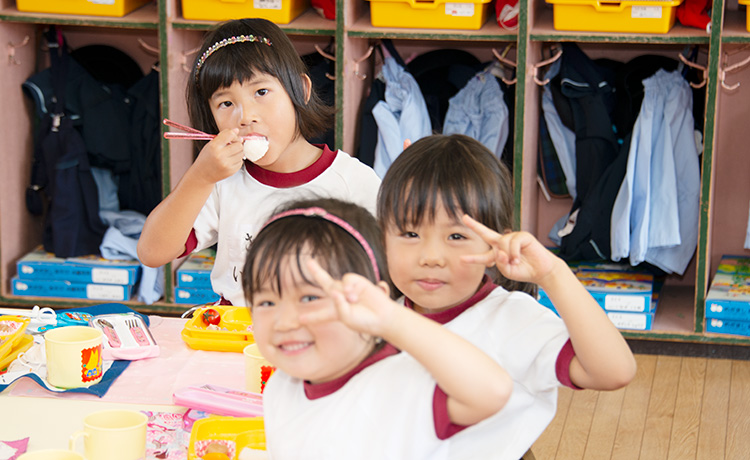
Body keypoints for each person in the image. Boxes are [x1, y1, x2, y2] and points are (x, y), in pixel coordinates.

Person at [377, 134, 637, 459]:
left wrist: (553, 274)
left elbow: (615, 372)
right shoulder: (377, 317)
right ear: (382, 237)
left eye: (455, 236)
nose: (431, 257)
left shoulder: (512, 320)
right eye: (410, 233)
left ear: (494, 242)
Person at [242, 197, 513, 459]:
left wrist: (391, 319)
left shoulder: (397, 385)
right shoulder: (281, 386)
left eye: (310, 298)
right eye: (267, 302)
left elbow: (493, 391)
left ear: (372, 304)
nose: (285, 322)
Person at [136, 18, 380, 306]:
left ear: (301, 90)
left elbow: (386, 271)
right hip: (234, 328)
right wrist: (199, 177)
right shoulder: (219, 181)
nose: (245, 117)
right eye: (226, 103)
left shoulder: (353, 181)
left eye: (261, 92)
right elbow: (152, 253)